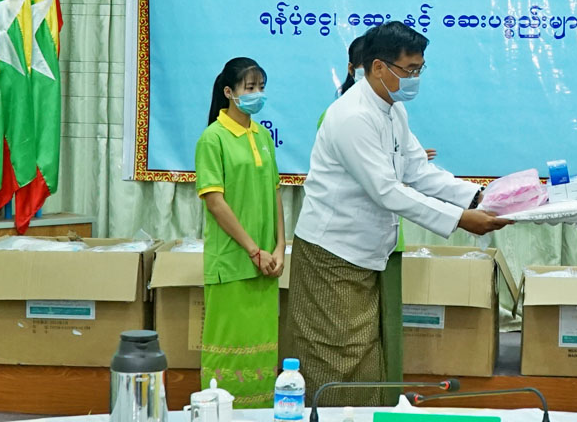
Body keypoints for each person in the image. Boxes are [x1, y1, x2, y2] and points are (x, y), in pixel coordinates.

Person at [286, 21, 510, 406]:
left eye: (420, 69)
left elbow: (417, 170)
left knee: (367, 352)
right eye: (409, 70)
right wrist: (459, 220)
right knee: (335, 354)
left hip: (368, 254)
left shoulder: (393, 109)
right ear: (378, 67)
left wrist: (476, 198)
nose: (415, 79)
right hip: (332, 255)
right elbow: (387, 190)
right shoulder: (352, 116)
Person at [196, 57, 285, 408]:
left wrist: (280, 247)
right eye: (250, 87)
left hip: (266, 265)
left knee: (262, 352)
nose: (257, 94)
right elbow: (215, 202)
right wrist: (253, 250)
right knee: (228, 349)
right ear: (229, 92)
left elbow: (275, 194)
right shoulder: (212, 138)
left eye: (261, 87)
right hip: (233, 263)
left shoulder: (262, 136)